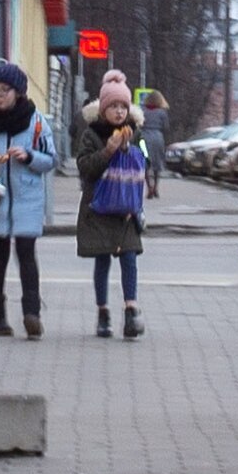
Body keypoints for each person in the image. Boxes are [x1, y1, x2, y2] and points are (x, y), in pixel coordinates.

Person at [0, 63, 57, 338]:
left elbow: (50, 159)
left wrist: (28, 156)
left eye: (5, 90)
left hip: (27, 198)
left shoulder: (36, 121)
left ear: (18, 93)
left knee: (27, 255)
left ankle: (32, 314)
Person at [76, 68, 154, 337]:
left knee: (129, 257)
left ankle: (131, 311)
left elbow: (146, 160)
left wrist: (129, 149)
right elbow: (85, 167)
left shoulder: (136, 133)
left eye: (123, 106)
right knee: (102, 260)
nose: (119, 112)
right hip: (98, 207)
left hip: (127, 209)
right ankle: (103, 313)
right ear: (103, 109)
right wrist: (108, 150)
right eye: (113, 106)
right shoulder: (91, 134)